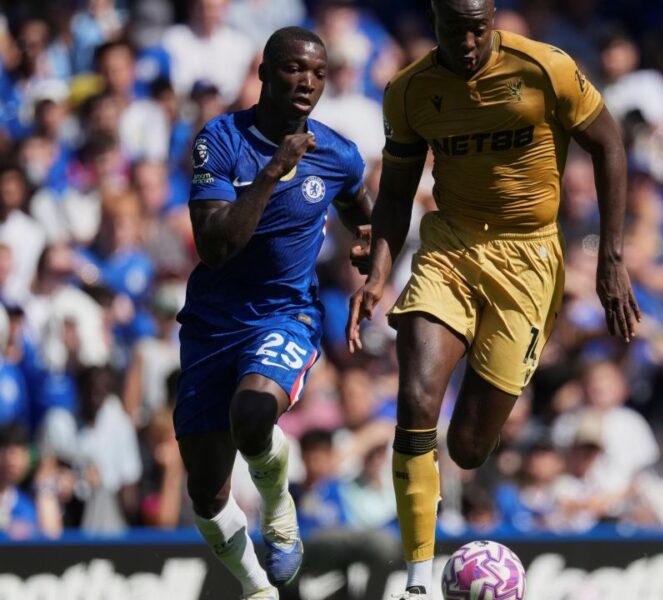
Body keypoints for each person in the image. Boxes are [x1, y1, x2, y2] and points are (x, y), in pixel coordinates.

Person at [345, 0, 639, 596]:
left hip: (530, 257)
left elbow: (609, 145)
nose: (468, 42)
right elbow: (397, 193)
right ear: (434, 22)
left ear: (494, 18)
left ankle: (480, 476)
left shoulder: (546, 68)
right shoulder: (409, 90)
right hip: (450, 247)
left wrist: (611, 259)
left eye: (478, 29)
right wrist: (378, 272)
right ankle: (418, 581)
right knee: (416, 398)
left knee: (469, 446)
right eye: (454, 30)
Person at [174, 27, 372, 600]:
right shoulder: (220, 140)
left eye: (318, 73)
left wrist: (371, 263)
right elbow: (215, 246)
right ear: (263, 72)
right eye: (293, 69)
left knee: (254, 411)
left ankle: (279, 508)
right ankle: (257, 589)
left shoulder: (337, 154)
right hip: (212, 324)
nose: (307, 82)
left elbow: (361, 211)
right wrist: (271, 173)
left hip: (285, 314)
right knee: (206, 492)